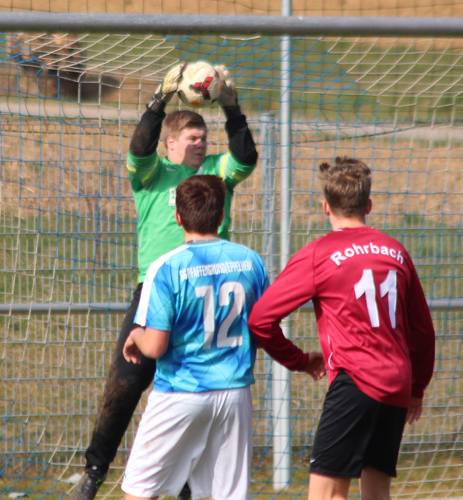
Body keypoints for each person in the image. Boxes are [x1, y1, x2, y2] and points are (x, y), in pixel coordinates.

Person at [70, 63, 259, 500]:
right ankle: (95, 472)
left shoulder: (216, 173)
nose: (200, 145)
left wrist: (231, 107)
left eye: (203, 139)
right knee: (126, 381)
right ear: (170, 144)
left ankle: (190, 487)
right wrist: (158, 99)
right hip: (155, 290)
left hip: (204, 289)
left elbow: (245, 156)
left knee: (196, 388)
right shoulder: (151, 174)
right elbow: (138, 146)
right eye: (192, 139)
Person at [247, 157, 436, 500]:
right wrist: (417, 388)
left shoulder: (319, 254)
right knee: (376, 492)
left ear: (325, 207)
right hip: (397, 382)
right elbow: (423, 332)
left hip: (356, 382)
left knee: (327, 495)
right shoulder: (396, 252)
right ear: (369, 205)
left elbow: (260, 320)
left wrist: (301, 361)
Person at [118, 175, 316, 500]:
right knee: (227, 495)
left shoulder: (165, 267)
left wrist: (135, 335)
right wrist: (301, 360)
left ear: (177, 216)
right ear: (222, 216)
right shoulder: (250, 261)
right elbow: (266, 326)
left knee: (140, 492)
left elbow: (155, 346)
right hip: (234, 393)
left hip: (181, 392)